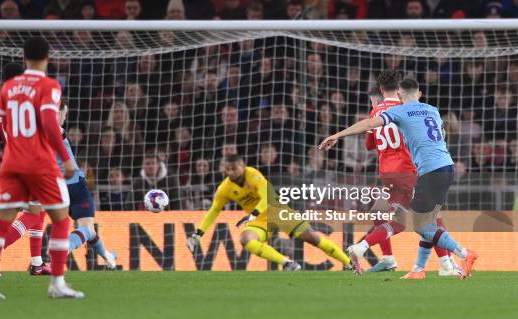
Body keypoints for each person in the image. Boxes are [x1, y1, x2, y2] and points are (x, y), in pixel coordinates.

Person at [319, 78, 479, 280]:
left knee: (419, 224)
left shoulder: (399, 111)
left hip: (420, 171)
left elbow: (369, 126)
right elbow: (442, 133)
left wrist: (337, 135)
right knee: (428, 221)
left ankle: (462, 255)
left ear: (401, 96)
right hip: (447, 167)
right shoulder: (432, 110)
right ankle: (424, 269)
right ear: (420, 93)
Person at [0, 37, 83, 299]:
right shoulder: (49, 85)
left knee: (1, 224)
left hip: (12, 162)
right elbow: (48, 122)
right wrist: (65, 157)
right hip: (40, 162)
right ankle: (57, 283)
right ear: (47, 58)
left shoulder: (8, 88)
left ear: (24, 58)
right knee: (62, 218)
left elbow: (0, 130)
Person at [350, 72, 459, 277]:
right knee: (429, 217)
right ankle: (445, 263)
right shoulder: (405, 110)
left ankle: (443, 262)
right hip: (410, 169)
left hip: (390, 173)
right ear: (399, 92)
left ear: (381, 93)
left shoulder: (376, 112)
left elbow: (368, 145)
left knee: (381, 213)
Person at [186, 154, 351, 271]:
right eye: (227, 169)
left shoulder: (253, 175)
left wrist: (252, 215)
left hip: (276, 211)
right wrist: (198, 233)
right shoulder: (225, 188)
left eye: (234, 168)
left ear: (242, 166)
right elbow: (214, 211)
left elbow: (267, 198)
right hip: (260, 220)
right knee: (246, 239)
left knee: (313, 238)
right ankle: (287, 263)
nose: (230, 172)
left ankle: (349, 262)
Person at [0, 62, 52, 276]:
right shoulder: (28, 104)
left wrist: (1, 159)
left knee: (37, 210)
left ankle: (37, 263)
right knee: (31, 213)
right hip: (32, 164)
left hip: (11, 165)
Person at [57, 100, 117, 269]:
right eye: (64, 114)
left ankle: (108, 257)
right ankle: (64, 249)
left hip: (54, 188)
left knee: (89, 230)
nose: (64, 118)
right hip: (75, 185)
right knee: (87, 229)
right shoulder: (55, 130)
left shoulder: (35, 134)